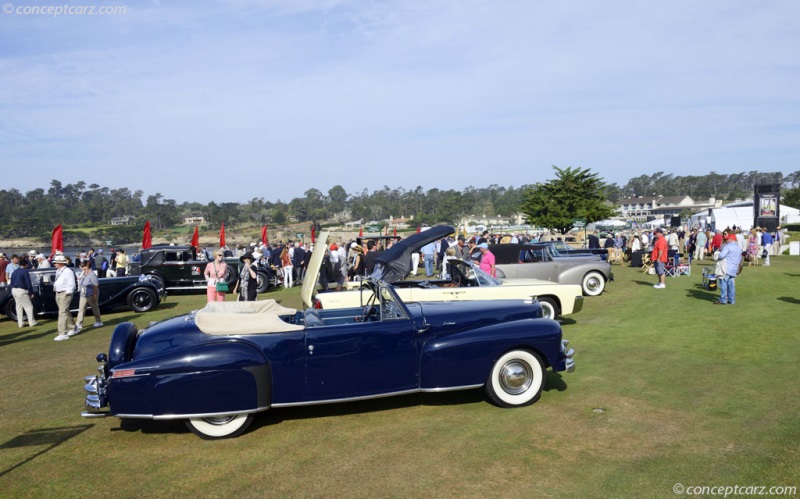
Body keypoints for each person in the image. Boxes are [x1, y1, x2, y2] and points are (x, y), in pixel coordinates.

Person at [52, 254, 77, 341]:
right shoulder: (58, 271)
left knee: (62, 312)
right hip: (58, 293)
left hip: (65, 293)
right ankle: (73, 327)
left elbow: (72, 284)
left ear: (60, 263)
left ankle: (63, 333)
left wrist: (67, 293)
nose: (54, 264)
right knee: (65, 311)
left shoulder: (68, 271)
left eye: (55, 262)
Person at [74, 260, 102, 334]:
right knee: (81, 309)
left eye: (82, 266)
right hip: (83, 294)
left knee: (94, 308)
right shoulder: (83, 274)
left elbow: (96, 286)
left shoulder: (92, 275)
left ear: (87, 266)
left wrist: (95, 296)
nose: (81, 267)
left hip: (91, 294)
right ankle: (79, 323)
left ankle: (98, 321)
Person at [714, 233, 743, 305]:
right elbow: (739, 260)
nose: (726, 240)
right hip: (734, 268)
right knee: (731, 285)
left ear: (731, 239)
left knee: (723, 284)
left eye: (727, 239)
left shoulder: (727, 246)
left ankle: (723, 299)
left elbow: (721, 256)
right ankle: (731, 300)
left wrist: (717, 253)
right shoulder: (739, 248)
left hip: (726, 268)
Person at [9, 259, 37, 328]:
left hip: (14, 289)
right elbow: (28, 283)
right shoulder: (25, 272)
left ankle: (20, 323)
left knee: (18, 307)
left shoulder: (14, 272)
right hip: (21, 290)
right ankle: (32, 322)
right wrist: (31, 292)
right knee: (29, 306)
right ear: (25, 265)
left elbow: (11, 282)